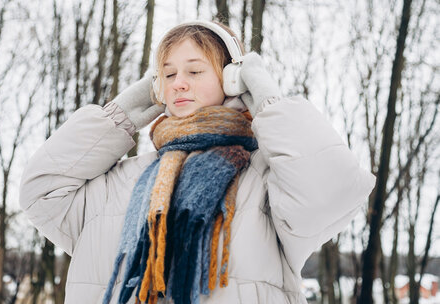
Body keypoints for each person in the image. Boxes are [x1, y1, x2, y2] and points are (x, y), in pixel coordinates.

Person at [19, 20, 376, 304]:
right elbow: (42, 190)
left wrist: (269, 101)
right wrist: (121, 114)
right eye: (169, 74)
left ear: (233, 80)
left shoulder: (266, 178)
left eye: (194, 71)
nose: (179, 84)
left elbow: (329, 192)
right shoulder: (120, 182)